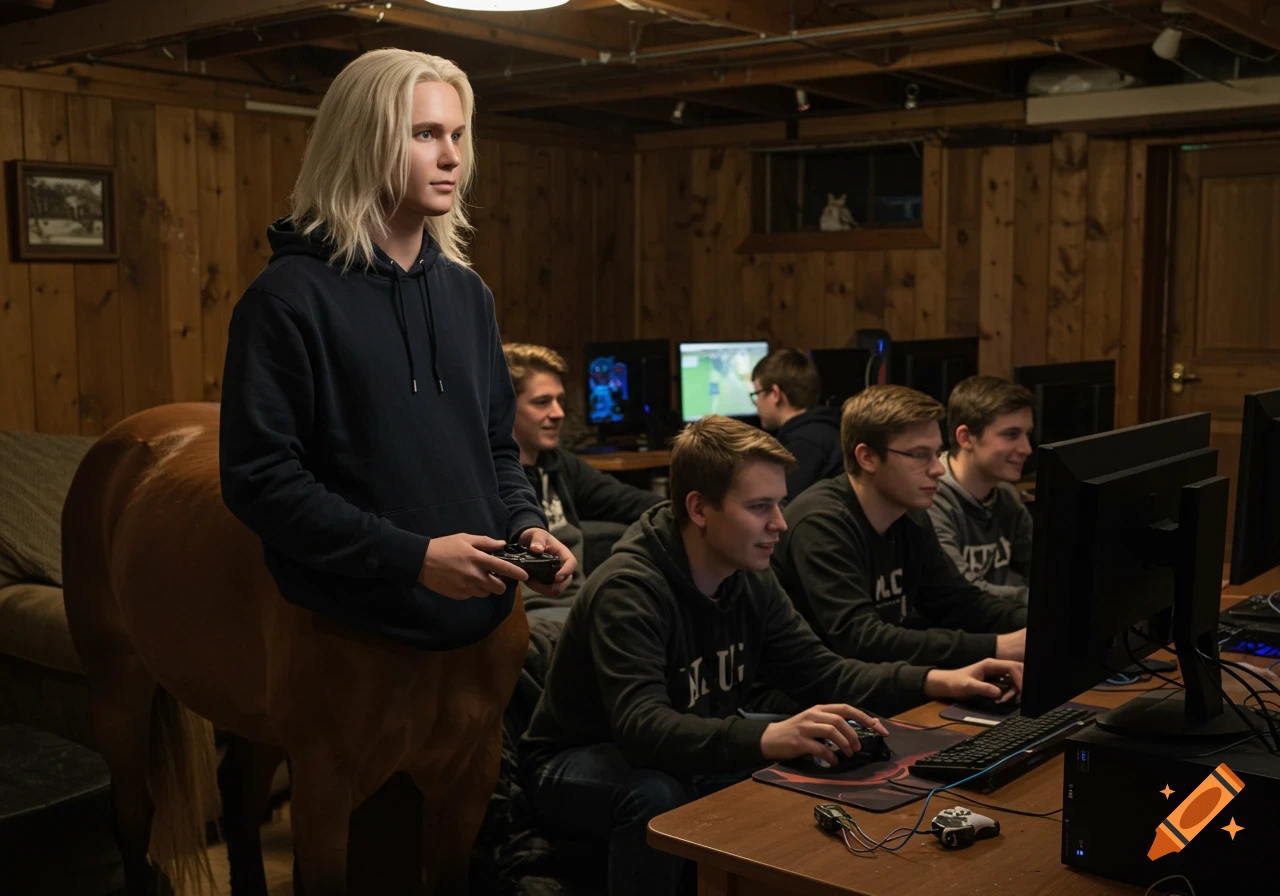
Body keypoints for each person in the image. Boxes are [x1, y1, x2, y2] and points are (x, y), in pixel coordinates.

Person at [519, 415, 1022, 896]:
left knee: (823, 745)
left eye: (780, 504)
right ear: (699, 509)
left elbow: (821, 672)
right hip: (574, 761)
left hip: (678, 748)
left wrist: (943, 680)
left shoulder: (748, 575)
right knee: (654, 794)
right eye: (760, 507)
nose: (780, 524)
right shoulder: (630, 589)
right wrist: (770, 735)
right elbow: (643, 728)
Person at [219, 48, 575, 652]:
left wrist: (526, 524)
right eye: (426, 134)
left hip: (482, 614)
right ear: (362, 142)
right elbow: (261, 480)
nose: (452, 156)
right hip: (352, 624)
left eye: (459, 134)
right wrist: (413, 558)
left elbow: (495, 447)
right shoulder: (286, 299)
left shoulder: (468, 294)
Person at [772, 385, 1026, 669]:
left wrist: (1039, 624)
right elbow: (862, 639)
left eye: (936, 452)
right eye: (920, 455)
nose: (938, 468)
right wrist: (998, 647)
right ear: (867, 457)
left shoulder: (909, 514)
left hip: (878, 685)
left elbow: (958, 603)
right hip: (811, 700)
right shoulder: (821, 524)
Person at [504, 342, 663, 615]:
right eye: (542, 402)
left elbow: (628, 501)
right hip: (526, 618)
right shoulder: (486, 478)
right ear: (505, 407)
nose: (558, 413)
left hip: (579, 608)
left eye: (560, 401)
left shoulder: (558, 463)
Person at [928, 375, 1035, 604]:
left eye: (1027, 434)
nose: (1026, 449)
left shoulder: (1006, 497)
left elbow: (1042, 570)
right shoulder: (931, 499)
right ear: (966, 438)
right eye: (1011, 435)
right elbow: (964, 591)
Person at [750, 347, 842, 499]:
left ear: (775, 394)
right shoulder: (823, 428)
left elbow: (778, 508)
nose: (756, 404)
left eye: (756, 394)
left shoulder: (804, 443)